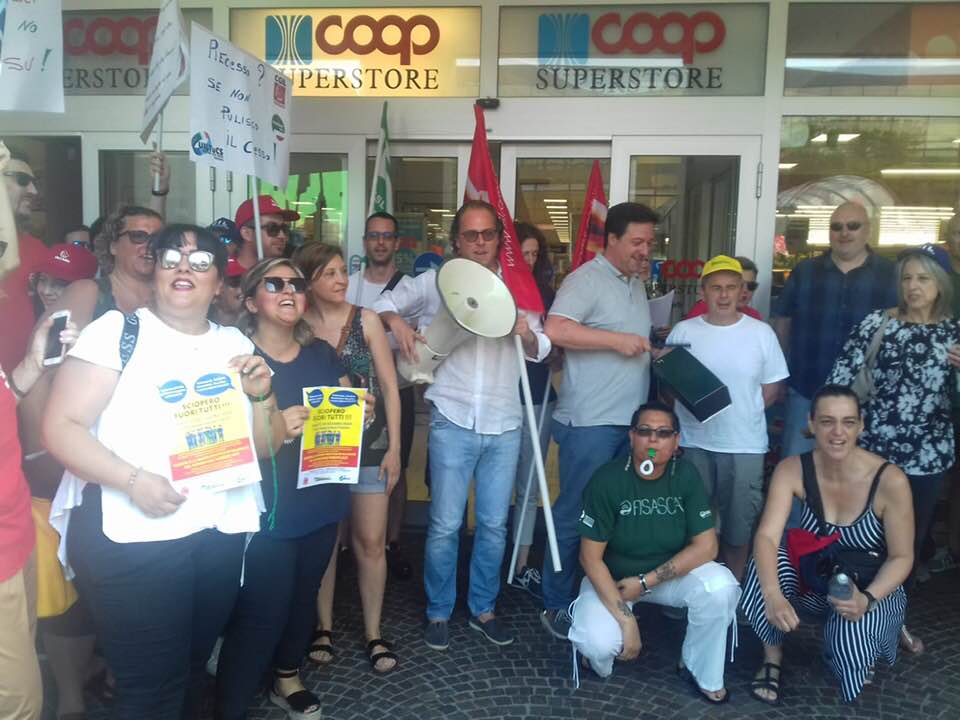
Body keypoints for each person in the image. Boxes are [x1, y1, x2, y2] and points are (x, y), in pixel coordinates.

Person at [44, 225, 286, 718]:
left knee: (191, 669)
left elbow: (264, 445)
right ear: (155, 271)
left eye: (201, 263)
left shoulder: (234, 342)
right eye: (172, 258)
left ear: (218, 284)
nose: (184, 268)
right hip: (137, 538)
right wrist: (133, 481)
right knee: (147, 687)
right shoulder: (116, 333)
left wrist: (263, 396)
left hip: (216, 534)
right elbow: (60, 428)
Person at [375, 200, 550, 650]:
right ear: (456, 240)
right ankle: (439, 610)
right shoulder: (437, 282)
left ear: (498, 239)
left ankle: (483, 607)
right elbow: (381, 303)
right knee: (444, 525)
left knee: (493, 526)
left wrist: (526, 334)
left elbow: (543, 347)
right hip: (452, 417)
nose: (479, 242)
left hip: (504, 423)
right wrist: (397, 324)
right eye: (470, 235)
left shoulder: (518, 287)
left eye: (488, 234)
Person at [216, 258, 357, 719]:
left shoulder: (321, 353)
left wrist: (361, 413)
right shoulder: (237, 359)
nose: (288, 291)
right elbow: (218, 438)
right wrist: (276, 425)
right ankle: (230, 704)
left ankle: (287, 676)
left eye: (296, 283)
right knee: (261, 610)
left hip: (321, 495)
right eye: (273, 283)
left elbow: (347, 406)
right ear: (250, 301)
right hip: (267, 505)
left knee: (304, 597)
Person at [740, 385, 914, 704]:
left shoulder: (890, 480)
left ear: (861, 425)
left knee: (850, 657)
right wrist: (773, 594)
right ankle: (772, 658)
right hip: (817, 579)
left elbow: (902, 556)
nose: (838, 433)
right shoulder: (793, 469)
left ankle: (882, 626)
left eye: (848, 422)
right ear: (811, 423)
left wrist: (868, 600)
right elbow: (767, 536)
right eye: (827, 421)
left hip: (867, 590)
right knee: (762, 568)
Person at [826, 243, 960, 654]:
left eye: (923, 278)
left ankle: (893, 619)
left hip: (926, 457)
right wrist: (834, 431)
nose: (913, 286)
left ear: (941, 284)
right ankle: (851, 618)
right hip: (874, 451)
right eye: (907, 278)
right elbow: (841, 381)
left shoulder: (954, 333)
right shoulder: (877, 323)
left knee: (907, 545)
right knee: (864, 538)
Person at [568, 401, 739, 704]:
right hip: (614, 581)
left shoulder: (685, 475)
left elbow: (707, 546)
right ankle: (595, 657)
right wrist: (627, 621)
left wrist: (646, 582)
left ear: (676, 441)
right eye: (645, 431)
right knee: (598, 645)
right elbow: (589, 558)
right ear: (632, 436)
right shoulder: (608, 479)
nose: (653, 440)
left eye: (663, 433)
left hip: (664, 578)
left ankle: (700, 669)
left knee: (720, 587)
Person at [540, 201, 656, 639]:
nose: (645, 251)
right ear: (611, 240)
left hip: (627, 422)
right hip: (590, 422)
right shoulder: (585, 279)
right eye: (637, 242)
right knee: (575, 512)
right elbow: (556, 329)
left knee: (609, 517)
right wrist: (616, 340)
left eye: (649, 243)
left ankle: (596, 597)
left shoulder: (635, 283)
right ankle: (555, 603)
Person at [298, 242, 403, 673]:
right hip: (319, 448)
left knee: (371, 542)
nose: (341, 280)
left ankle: (374, 631)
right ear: (309, 281)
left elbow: (389, 387)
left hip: (371, 446)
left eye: (343, 271)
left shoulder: (367, 320)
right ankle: (323, 626)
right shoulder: (298, 325)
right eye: (329, 273)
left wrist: (396, 448)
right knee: (325, 539)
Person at [665, 256, 788, 581]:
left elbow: (772, 389)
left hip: (744, 446)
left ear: (741, 291)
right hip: (695, 444)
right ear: (703, 291)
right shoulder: (683, 331)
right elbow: (670, 387)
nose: (723, 295)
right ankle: (693, 591)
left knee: (738, 530)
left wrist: (738, 415)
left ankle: (733, 590)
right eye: (716, 287)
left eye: (731, 287)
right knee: (694, 529)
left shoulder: (761, 333)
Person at [773, 202, 896, 458]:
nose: (844, 233)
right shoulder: (805, 272)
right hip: (806, 388)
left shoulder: (890, 274)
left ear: (868, 230)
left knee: (858, 472)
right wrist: (778, 375)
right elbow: (783, 322)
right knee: (798, 466)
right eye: (836, 227)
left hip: (866, 395)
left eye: (853, 226)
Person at [347, 211, 415, 580]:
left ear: (396, 242)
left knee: (396, 468)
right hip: (353, 395)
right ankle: (347, 543)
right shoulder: (348, 286)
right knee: (349, 467)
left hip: (397, 390)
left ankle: (392, 541)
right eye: (374, 236)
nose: (380, 242)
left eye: (387, 236)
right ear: (364, 242)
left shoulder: (410, 288)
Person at [509, 222, 558, 597]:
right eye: (521, 254)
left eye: (534, 254)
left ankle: (521, 563)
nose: (528, 261)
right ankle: (491, 556)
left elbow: (555, 350)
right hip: (501, 397)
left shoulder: (547, 295)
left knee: (528, 485)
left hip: (539, 396)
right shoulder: (494, 291)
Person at [0, 145, 48, 372]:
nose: (33, 191)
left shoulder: (37, 249)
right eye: (22, 180)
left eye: (34, 182)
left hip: (23, 381)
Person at [930, 212, 960, 575]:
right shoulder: (935, 274)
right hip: (933, 402)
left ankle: (952, 547)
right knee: (937, 482)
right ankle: (931, 548)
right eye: (957, 231)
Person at [683, 256, 763, 320]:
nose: (744, 290)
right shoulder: (700, 313)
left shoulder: (754, 316)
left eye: (751, 286)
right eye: (734, 286)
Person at [28, 242, 98, 315]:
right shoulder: (35, 313)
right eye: (42, 279)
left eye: (60, 283)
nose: (46, 291)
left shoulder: (99, 321)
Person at [233, 196, 299, 270]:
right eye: (272, 229)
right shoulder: (225, 273)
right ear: (247, 233)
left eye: (284, 229)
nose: (282, 236)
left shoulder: (287, 273)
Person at [210, 257, 246, 327]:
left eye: (244, 281)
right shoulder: (197, 327)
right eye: (235, 282)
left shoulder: (253, 327)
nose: (241, 288)